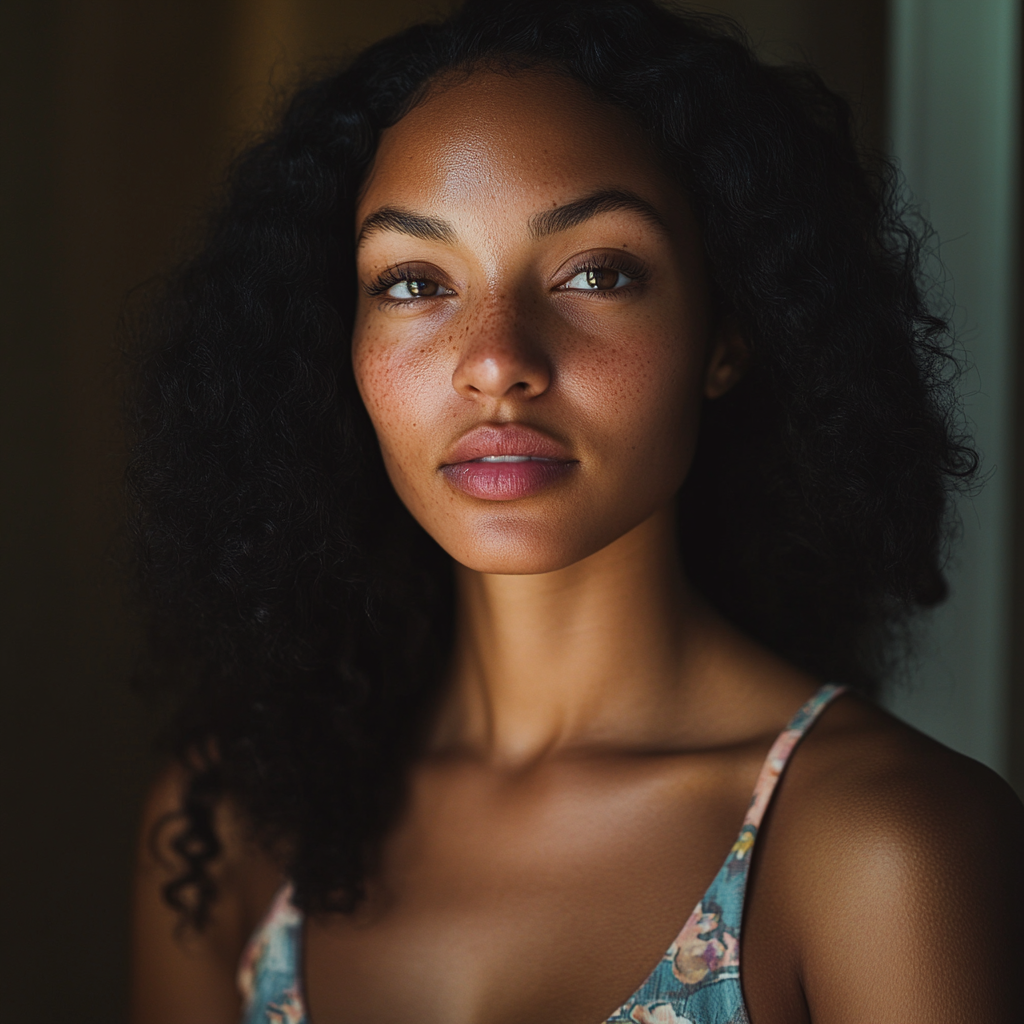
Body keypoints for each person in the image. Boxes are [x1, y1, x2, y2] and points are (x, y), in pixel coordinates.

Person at [126, 1, 1024, 1021]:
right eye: (415, 281)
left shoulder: (881, 844)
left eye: (598, 272)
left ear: (726, 335)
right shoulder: (231, 818)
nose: (497, 360)